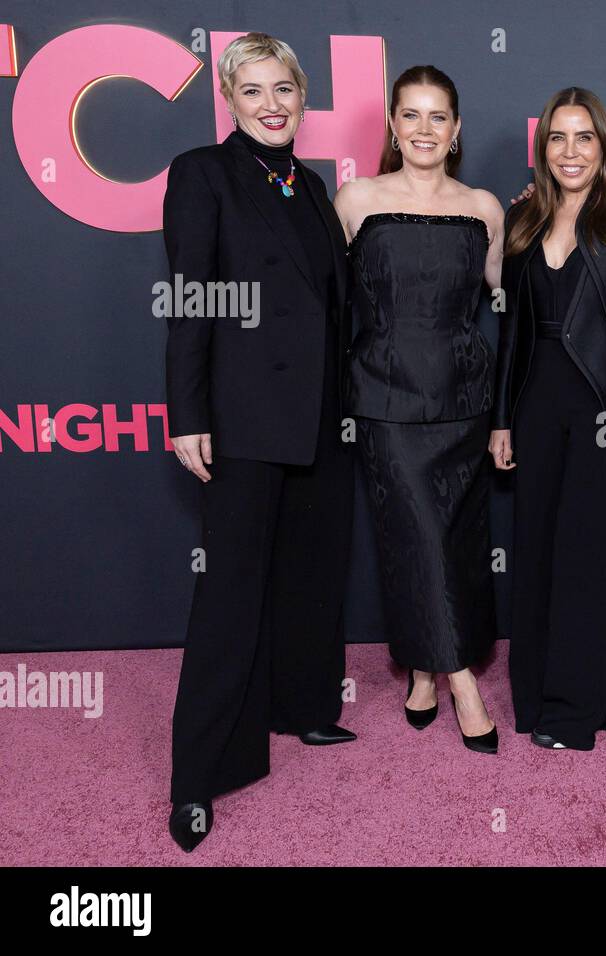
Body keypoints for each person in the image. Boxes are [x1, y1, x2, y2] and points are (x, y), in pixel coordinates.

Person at [164, 32, 354, 852]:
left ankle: (304, 708)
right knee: (231, 593)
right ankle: (199, 777)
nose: (273, 105)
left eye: (285, 91)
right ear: (230, 102)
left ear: (302, 99)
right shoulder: (204, 174)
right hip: (241, 418)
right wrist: (187, 412)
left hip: (320, 417)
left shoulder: (311, 185)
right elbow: (190, 296)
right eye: (254, 93)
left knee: (310, 574)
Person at [489, 87, 606, 751]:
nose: (571, 151)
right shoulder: (525, 221)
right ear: (544, 150)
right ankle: (535, 699)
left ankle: (576, 709)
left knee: (589, 559)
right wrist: (501, 418)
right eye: (558, 138)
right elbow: (511, 332)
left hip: (604, 411)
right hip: (537, 409)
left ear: (605, 148)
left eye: (583, 137)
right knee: (538, 552)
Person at [333, 66, 503, 753]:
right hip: (384, 398)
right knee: (417, 539)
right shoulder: (354, 199)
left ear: (456, 129)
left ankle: (425, 676)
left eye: (439, 116)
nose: (425, 129)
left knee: (454, 542)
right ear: (394, 126)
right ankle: (462, 680)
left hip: (464, 401)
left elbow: (517, 298)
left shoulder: (486, 207)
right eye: (412, 115)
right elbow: (319, 301)